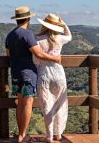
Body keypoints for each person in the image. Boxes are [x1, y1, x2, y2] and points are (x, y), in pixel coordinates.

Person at [5, 6, 62, 143]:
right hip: (28, 73)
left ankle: (21, 134)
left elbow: (8, 54)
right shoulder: (27, 34)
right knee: (27, 103)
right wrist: (56, 58)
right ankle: (22, 136)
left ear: (17, 20)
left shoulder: (10, 35)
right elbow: (38, 53)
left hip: (15, 72)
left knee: (20, 103)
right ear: (28, 19)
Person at [33, 14, 72, 142]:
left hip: (44, 74)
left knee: (47, 106)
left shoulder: (36, 38)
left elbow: (35, 59)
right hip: (59, 74)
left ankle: (49, 136)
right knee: (59, 104)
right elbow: (70, 36)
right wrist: (64, 24)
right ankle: (58, 134)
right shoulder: (59, 38)